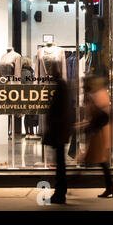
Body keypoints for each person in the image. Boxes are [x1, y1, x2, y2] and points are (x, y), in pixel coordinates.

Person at [81, 76, 113, 198]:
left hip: (98, 132)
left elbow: (97, 116)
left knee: (100, 160)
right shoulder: (97, 95)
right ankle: (110, 187)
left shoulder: (92, 96)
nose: (81, 87)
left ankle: (110, 187)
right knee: (101, 161)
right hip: (99, 131)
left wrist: (89, 127)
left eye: (83, 85)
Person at [43, 62, 73, 204]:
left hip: (59, 131)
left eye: (52, 70)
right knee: (60, 162)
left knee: (60, 163)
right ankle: (60, 191)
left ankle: (59, 193)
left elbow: (60, 110)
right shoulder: (61, 85)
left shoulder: (61, 86)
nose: (50, 72)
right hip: (60, 130)